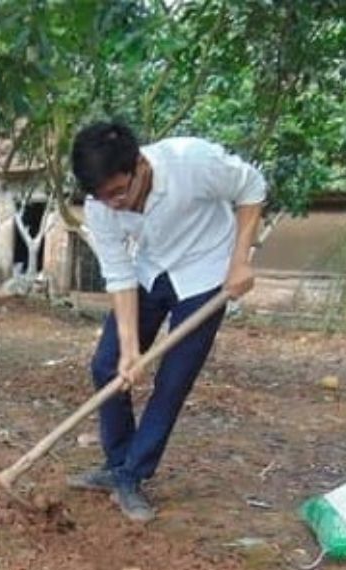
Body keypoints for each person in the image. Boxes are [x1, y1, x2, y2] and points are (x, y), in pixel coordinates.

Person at [68, 121, 266, 523]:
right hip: (151, 270)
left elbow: (252, 187)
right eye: (103, 198)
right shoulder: (101, 206)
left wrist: (240, 260)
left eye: (119, 192)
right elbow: (119, 273)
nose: (114, 204)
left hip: (206, 275)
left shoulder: (192, 162)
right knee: (108, 366)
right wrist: (129, 351)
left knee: (172, 380)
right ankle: (118, 461)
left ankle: (133, 474)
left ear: (139, 165)